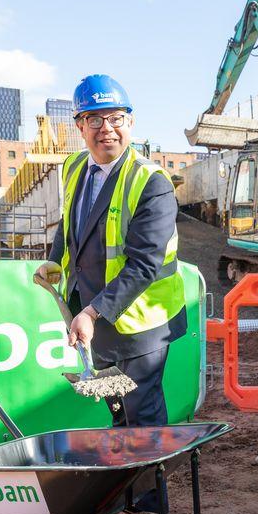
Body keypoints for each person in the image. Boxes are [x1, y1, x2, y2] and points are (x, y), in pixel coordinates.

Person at [35, 74, 186, 427]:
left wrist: (91, 312)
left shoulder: (151, 182)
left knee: (142, 418)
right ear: (80, 126)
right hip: (98, 317)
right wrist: (55, 260)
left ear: (130, 122)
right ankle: (126, 483)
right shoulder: (75, 167)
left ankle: (148, 484)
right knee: (118, 414)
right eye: (94, 119)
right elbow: (69, 221)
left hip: (141, 322)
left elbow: (145, 264)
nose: (107, 128)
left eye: (116, 118)